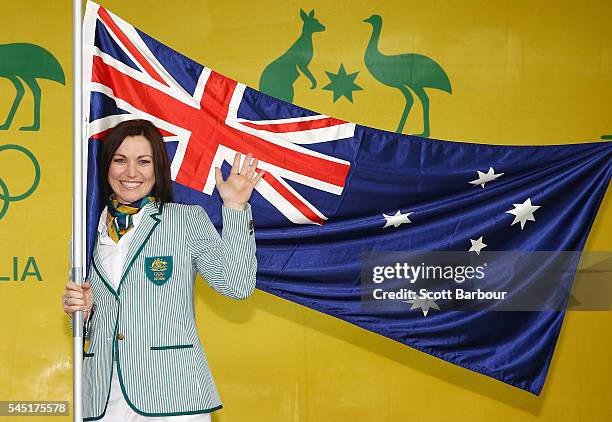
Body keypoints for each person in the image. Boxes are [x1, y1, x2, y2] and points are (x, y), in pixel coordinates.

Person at [61, 119, 264, 421]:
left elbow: (237, 285)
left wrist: (234, 208)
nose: (131, 172)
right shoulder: (87, 230)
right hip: (103, 399)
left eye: (143, 161)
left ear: (157, 169)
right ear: (106, 166)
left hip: (173, 396)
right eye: (120, 160)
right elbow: (93, 327)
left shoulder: (186, 220)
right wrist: (85, 314)